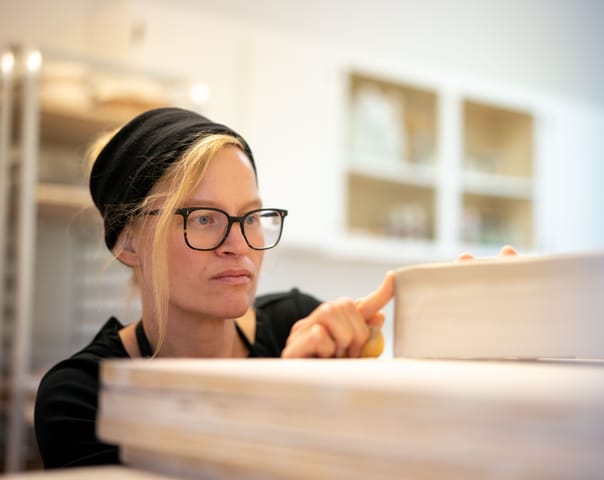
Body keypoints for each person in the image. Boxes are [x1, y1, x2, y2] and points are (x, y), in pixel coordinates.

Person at [33, 107, 515, 469]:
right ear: (129, 242)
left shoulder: (298, 325)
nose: (239, 243)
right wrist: (281, 398)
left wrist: (464, 337)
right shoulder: (81, 397)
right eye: (203, 218)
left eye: (252, 216)